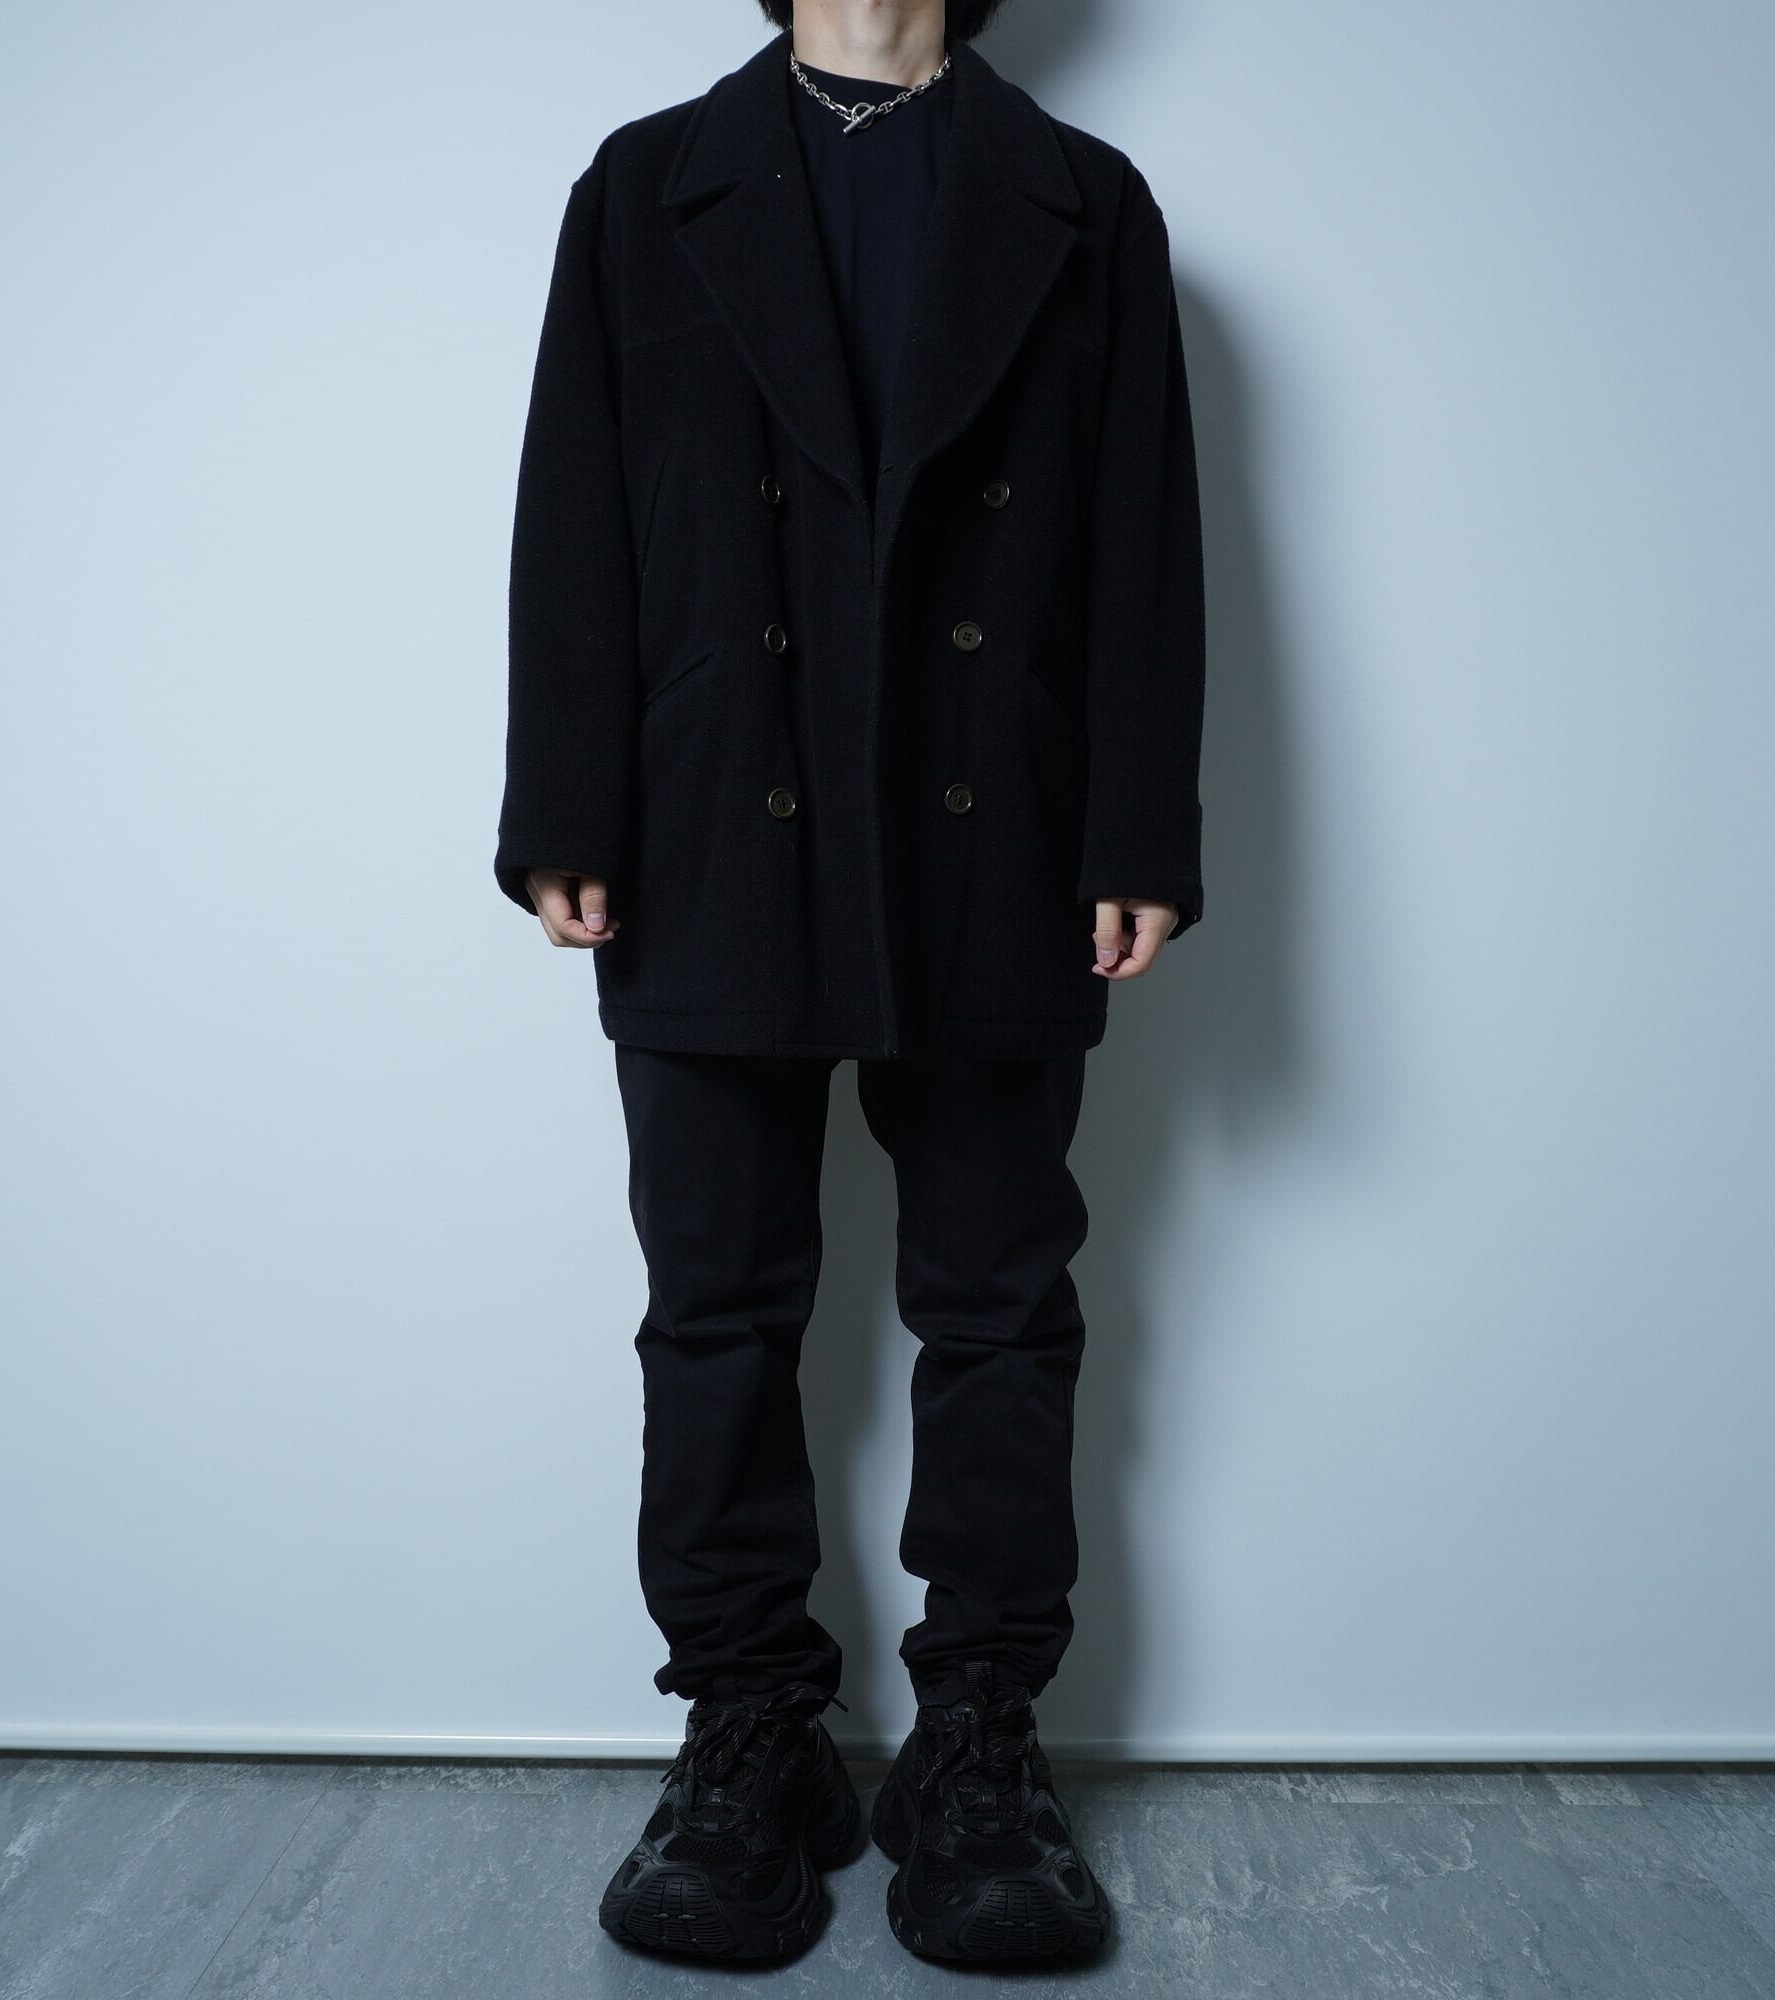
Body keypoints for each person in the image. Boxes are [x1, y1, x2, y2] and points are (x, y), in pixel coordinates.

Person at [493, 0, 1204, 1965]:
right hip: (715, 810)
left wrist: (1136, 828)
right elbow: (574, 503)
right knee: (715, 1306)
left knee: (999, 1307)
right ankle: (750, 1734)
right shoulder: (647, 186)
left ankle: (976, 1743)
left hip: (997, 820)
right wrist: (568, 799)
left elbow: (1143, 534)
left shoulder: (1084, 202)